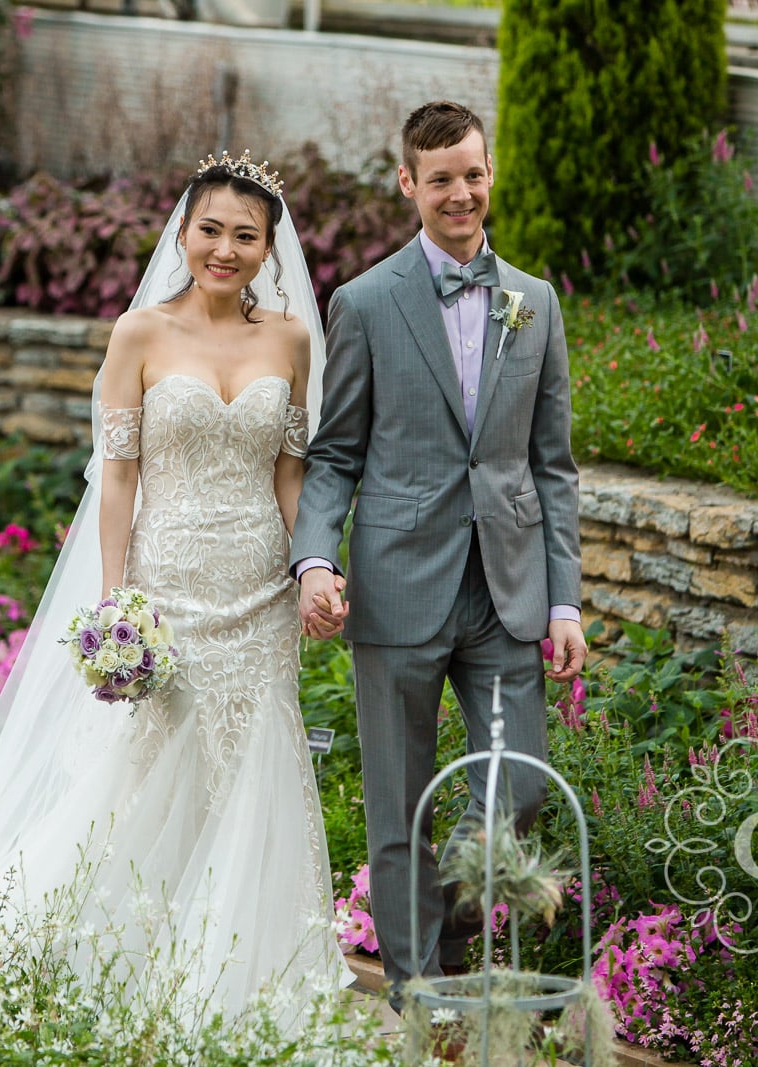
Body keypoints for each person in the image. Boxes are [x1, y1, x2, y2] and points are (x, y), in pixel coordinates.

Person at [0, 151, 350, 1024]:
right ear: (183, 232)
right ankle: (132, 949)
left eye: (246, 237)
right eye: (210, 231)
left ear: (270, 248)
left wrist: (317, 568)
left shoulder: (294, 340)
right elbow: (116, 479)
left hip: (259, 589)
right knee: (148, 772)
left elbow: (294, 476)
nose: (225, 250)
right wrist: (118, 601)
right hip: (168, 585)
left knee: (253, 766)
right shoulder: (139, 334)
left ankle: (242, 979)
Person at [290, 100, 588, 996]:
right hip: (395, 584)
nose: (461, 194)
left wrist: (565, 600)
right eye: (441, 179)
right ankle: (422, 990)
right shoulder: (368, 303)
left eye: (474, 174)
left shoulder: (533, 303)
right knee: (397, 805)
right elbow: (334, 451)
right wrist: (315, 561)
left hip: (507, 587)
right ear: (408, 184)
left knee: (522, 785)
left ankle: (446, 920)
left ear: (490, 172)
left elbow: (554, 465)